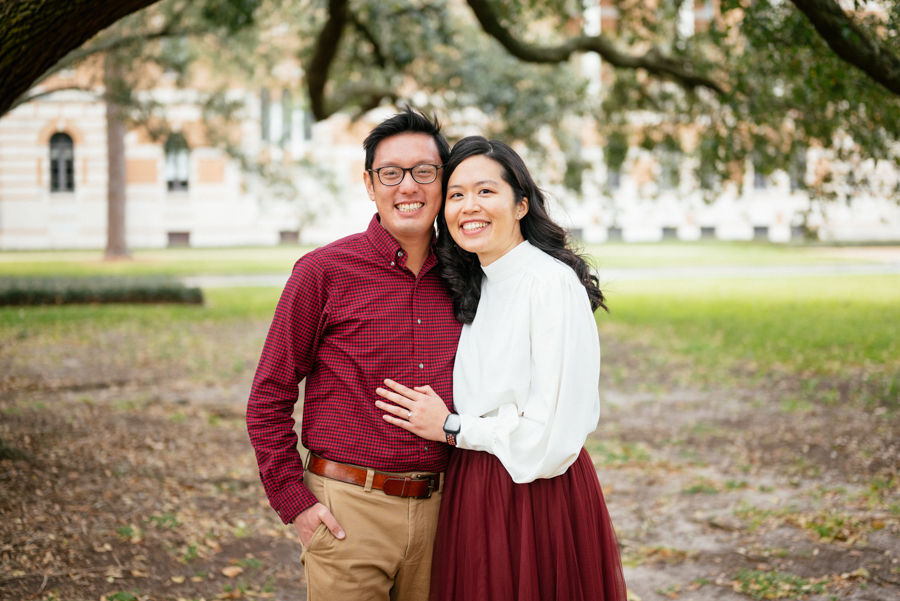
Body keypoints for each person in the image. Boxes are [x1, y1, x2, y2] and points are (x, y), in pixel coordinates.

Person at [374, 136, 628, 600]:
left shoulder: (549, 283)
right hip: (473, 484)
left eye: (486, 191)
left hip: (533, 492)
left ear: (521, 205)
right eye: (456, 195)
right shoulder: (480, 283)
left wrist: (451, 427)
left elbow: (551, 431)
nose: (469, 206)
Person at [246, 107, 462, 600]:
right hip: (348, 510)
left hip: (448, 512)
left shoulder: (467, 277)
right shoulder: (322, 272)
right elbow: (268, 397)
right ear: (370, 184)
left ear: (442, 181)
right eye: (391, 173)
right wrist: (295, 502)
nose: (408, 186)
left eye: (424, 172)